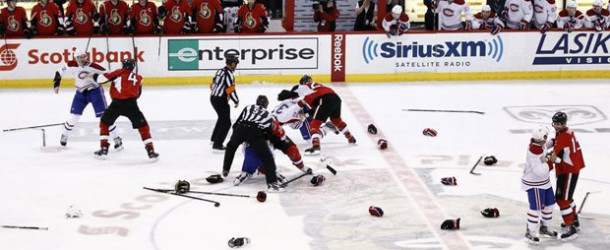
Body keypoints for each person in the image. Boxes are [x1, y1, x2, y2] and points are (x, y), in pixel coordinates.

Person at [88, 58, 159, 160]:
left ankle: (103, 149)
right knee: (143, 127)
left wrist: (92, 75)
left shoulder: (118, 72)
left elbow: (100, 79)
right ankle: (150, 151)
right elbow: (138, 94)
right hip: (132, 105)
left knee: (104, 123)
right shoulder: (139, 78)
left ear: (123, 65)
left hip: (117, 104)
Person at [233, 95, 312, 186]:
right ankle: (253, 171)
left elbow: (236, 126)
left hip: (262, 133)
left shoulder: (251, 109)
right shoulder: (271, 117)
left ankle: (256, 170)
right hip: (262, 134)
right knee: (263, 148)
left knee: (277, 147)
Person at [54, 49, 123, 149]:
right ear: (75, 58)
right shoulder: (71, 65)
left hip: (95, 92)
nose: (82, 59)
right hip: (80, 93)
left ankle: (116, 137)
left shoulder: (93, 66)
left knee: (104, 117)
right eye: (79, 57)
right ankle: (65, 134)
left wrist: (116, 85)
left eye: (83, 57)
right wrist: (56, 85)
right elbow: (59, 73)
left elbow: (108, 74)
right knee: (73, 117)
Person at [221, 96, 286, 192]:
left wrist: (239, 137)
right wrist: (257, 141)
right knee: (266, 156)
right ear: (266, 105)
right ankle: (272, 184)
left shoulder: (248, 107)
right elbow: (268, 134)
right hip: (254, 131)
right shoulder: (268, 115)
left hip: (240, 128)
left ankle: (226, 169)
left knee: (231, 146)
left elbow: (235, 124)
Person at [295, 75, 356, 155]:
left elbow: (303, 105)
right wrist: (306, 114)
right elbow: (315, 110)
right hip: (336, 98)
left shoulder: (306, 90)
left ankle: (316, 146)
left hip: (324, 100)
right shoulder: (317, 86)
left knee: (314, 125)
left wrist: (294, 110)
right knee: (336, 120)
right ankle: (350, 137)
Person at [548, 111, 585, 241]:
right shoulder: (565, 133)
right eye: (555, 124)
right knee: (567, 197)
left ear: (564, 124)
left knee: (562, 199)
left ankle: (571, 228)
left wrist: (548, 158)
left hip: (568, 170)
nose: (556, 126)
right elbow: (558, 144)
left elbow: (556, 158)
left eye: (558, 124)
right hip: (570, 168)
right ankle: (573, 220)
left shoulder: (564, 137)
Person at [522, 125, 558, 244]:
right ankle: (530, 232)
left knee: (550, 204)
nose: (545, 141)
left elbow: (545, 145)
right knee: (536, 208)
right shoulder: (534, 152)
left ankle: (544, 227)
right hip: (535, 184)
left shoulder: (538, 144)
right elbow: (539, 171)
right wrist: (550, 161)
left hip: (544, 182)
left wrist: (554, 141)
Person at [210, 56, 239, 152]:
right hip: (220, 100)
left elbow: (213, 83)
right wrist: (236, 100)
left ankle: (214, 139)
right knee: (226, 123)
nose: (236, 66)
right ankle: (217, 145)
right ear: (233, 64)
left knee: (222, 119)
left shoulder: (220, 71)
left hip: (213, 98)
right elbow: (230, 88)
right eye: (236, 64)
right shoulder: (228, 74)